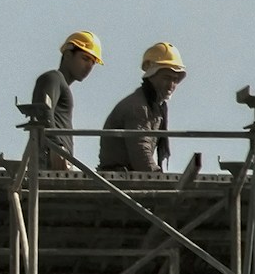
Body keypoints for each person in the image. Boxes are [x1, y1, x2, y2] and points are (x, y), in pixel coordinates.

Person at [98, 42, 186, 173]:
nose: (171, 85)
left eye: (175, 80)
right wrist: (157, 177)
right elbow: (140, 153)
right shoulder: (138, 107)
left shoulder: (155, 107)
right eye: (166, 78)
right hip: (119, 177)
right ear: (152, 75)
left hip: (126, 175)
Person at [29, 30, 102, 169]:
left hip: (58, 164)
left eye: (93, 63)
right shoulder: (53, 78)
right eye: (85, 59)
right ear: (68, 55)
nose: (89, 67)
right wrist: (57, 147)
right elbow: (43, 112)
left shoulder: (61, 84)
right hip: (50, 163)